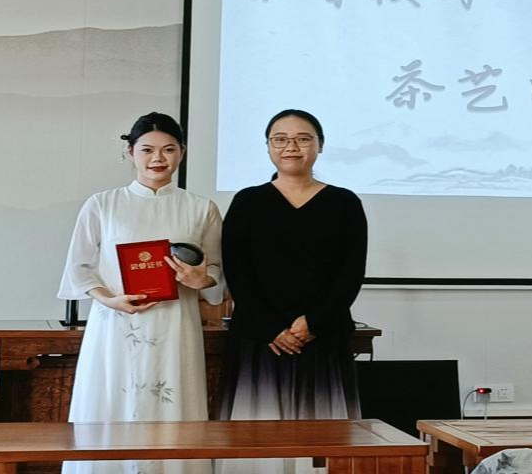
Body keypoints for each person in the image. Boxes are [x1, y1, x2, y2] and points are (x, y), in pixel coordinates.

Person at [58, 112, 224, 474]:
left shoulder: (201, 208)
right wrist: (109, 299)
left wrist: (201, 281)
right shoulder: (103, 204)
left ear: (182, 152)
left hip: (175, 326)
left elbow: (216, 271)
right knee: (110, 405)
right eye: (147, 149)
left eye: (168, 149)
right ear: (130, 152)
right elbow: (79, 267)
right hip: (114, 326)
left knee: (174, 408)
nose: (158, 158)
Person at [217, 108, 367, 427]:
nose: (291, 147)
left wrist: (314, 322)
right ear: (268, 146)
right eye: (280, 139)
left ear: (320, 144)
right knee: (259, 434)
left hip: (322, 335)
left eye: (303, 139)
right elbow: (237, 271)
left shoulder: (345, 203)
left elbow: (350, 273)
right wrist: (270, 327)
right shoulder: (247, 202)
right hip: (261, 338)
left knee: (323, 435)